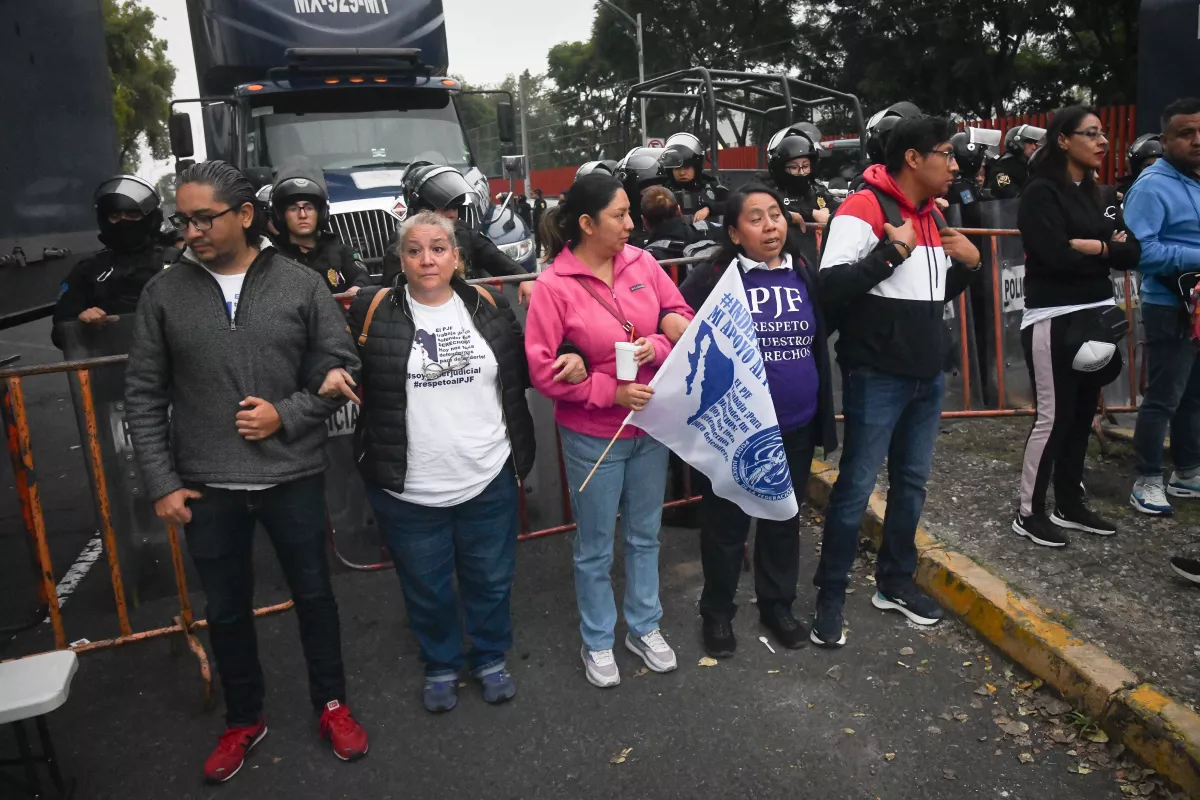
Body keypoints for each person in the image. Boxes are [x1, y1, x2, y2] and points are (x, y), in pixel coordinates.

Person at [124, 160, 368, 783]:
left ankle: (332, 704)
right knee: (227, 610)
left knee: (315, 598)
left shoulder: (300, 284)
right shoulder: (164, 293)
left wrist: (284, 416)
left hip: (293, 477)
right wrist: (162, 482)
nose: (192, 231)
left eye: (205, 218)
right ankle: (244, 718)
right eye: (184, 220)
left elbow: (342, 368)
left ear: (245, 217)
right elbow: (145, 395)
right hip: (207, 487)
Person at [348, 211, 567, 712]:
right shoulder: (370, 308)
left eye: (439, 248)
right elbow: (332, 356)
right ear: (400, 260)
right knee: (426, 586)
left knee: (490, 578)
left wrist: (571, 350)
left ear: (456, 256)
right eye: (415, 250)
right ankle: (441, 663)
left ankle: (490, 657)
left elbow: (529, 360)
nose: (428, 259)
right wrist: (330, 371)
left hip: (486, 474)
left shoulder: (488, 304)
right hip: (408, 486)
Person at [813, 116, 981, 646]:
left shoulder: (932, 215)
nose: (955, 165)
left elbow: (922, 298)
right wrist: (891, 250)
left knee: (912, 484)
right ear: (913, 158)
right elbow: (831, 287)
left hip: (926, 375)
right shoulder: (861, 208)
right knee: (856, 488)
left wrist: (969, 268)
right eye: (946, 154)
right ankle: (830, 597)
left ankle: (894, 582)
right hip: (877, 375)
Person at [524, 173, 693, 688]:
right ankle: (597, 638)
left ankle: (644, 627)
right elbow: (541, 368)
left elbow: (677, 313)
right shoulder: (555, 285)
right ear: (585, 223)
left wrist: (656, 348)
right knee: (595, 544)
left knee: (645, 535)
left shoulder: (642, 262)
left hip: (651, 424)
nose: (629, 224)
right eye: (619, 215)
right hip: (594, 433)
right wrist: (608, 391)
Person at [678, 185, 838, 658]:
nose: (770, 226)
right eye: (755, 218)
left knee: (782, 518)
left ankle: (777, 604)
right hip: (736, 427)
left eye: (775, 214)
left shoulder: (802, 269)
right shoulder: (713, 275)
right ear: (733, 231)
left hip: (797, 421)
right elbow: (675, 316)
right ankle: (718, 612)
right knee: (725, 524)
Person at [1011, 106, 1140, 546]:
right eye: (1091, 133)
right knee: (1054, 416)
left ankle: (1070, 504)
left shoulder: (1103, 195)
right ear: (1063, 140)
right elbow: (1053, 255)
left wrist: (1096, 247)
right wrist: (1107, 250)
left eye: (1104, 133)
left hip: (1098, 315)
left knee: (1082, 415)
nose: (1102, 141)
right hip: (1054, 318)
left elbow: (1133, 253)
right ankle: (1029, 512)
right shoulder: (1040, 193)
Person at [1125, 98, 1200, 517]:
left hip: (1198, 306)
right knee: (1164, 396)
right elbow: (1140, 251)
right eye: (1186, 133)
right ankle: (1148, 479)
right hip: (1168, 304)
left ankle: (1187, 471)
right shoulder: (1152, 185)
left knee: (1194, 395)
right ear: (1165, 139)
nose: (1197, 141)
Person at [52, 174, 177, 349]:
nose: (123, 221)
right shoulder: (89, 270)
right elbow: (60, 333)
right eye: (115, 215)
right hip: (111, 366)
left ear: (150, 218)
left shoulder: (176, 261)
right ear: (104, 219)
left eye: (132, 214)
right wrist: (81, 321)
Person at [380, 164, 533, 304]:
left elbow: (496, 258)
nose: (452, 214)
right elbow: (391, 290)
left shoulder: (464, 233)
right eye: (444, 208)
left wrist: (523, 278)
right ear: (421, 210)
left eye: (455, 207)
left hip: (466, 308)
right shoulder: (402, 242)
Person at [268, 160, 371, 296]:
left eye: (309, 208)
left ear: (321, 213)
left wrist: (358, 289)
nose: (302, 215)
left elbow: (362, 277)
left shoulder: (340, 253)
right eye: (293, 209)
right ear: (281, 216)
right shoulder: (273, 258)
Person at [765, 127, 839, 228]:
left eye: (805, 166)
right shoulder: (769, 190)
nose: (801, 172)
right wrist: (813, 214)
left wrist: (830, 212)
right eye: (794, 167)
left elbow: (839, 205)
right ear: (780, 168)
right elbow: (773, 210)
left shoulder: (816, 188)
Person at [658, 132, 727, 222]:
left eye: (687, 167)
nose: (682, 173)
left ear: (696, 168)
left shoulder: (711, 187)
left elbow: (735, 204)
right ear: (671, 170)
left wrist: (709, 208)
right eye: (677, 168)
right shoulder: (662, 192)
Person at [985, 124, 1046, 199]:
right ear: (1015, 144)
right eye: (1030, 143)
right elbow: (1012, 194)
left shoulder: (1028, 165)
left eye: (1034, 143)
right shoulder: (1001, 169)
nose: (1034, 147)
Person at [1116, 134, 1164, 199]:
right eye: (1148, 167)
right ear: (1137, 169)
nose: (1154, 171)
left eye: (1158, 166)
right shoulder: (1125, 195)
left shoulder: (1177, 190)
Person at [532, 188, 548, 256]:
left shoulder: (541, 202)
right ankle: (537, 253)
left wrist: (540, 222)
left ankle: (547, 252)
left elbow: (542, 211)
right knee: (537, 239)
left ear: (537, 194)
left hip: (540, 223)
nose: (532, 195)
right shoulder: (536, 201)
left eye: (533, 194)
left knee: (543, 238)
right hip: (536, 223)